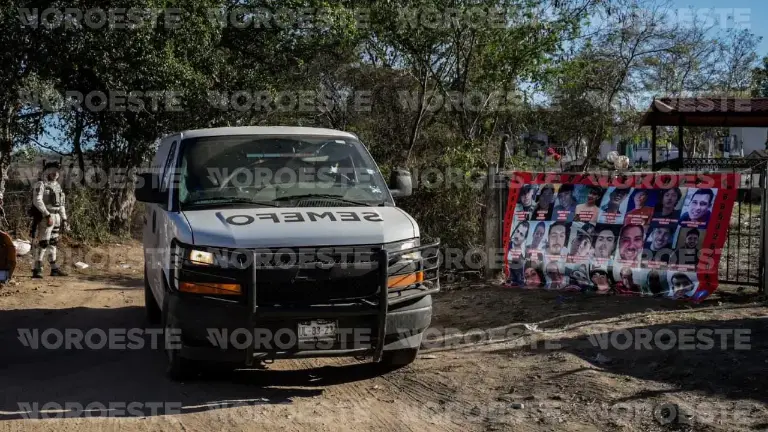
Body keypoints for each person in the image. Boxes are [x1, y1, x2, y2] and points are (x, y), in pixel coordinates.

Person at [30, 161, 70, 278]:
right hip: (46, 217)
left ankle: (54, 268)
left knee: (53, 242)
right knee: (44, 242)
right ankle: (37, 268)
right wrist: (47, 215)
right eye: (53, 171)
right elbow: (37, 201)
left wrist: (64, 218)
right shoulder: (40, 184)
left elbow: (61, 204)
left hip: (57, 216)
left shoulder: (57, 186)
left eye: (57, 172)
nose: (55, 173)